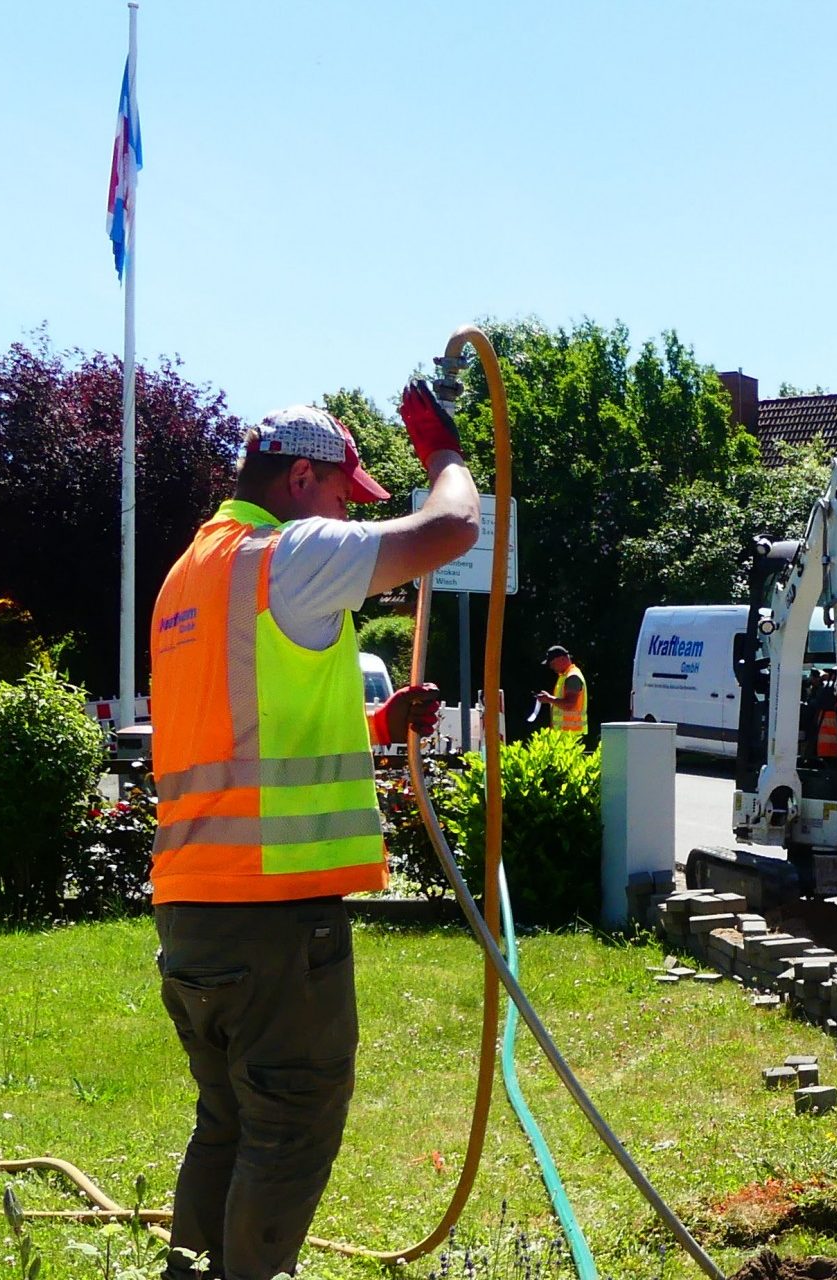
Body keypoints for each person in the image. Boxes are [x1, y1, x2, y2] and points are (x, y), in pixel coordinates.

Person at [147, 381, 477, 1280]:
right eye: (341, 495)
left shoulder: (189, 576)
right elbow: (452, 527)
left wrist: (376, 724)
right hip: (273, 923)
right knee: (290, 1127)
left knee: (227, 1122)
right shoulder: (284, 554)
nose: (347, 517)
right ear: (300, 480)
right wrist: (443, 456)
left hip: (192, 913)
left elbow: (241, 732)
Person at [533, 644, 587, 738]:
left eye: (552, 663)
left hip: (571, 735)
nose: (551, 667)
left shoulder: (572, 677)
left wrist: (549, 699)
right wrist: (549, 698)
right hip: (565, 734)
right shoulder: (564, 676)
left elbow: (569, 704)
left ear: (562, 658)